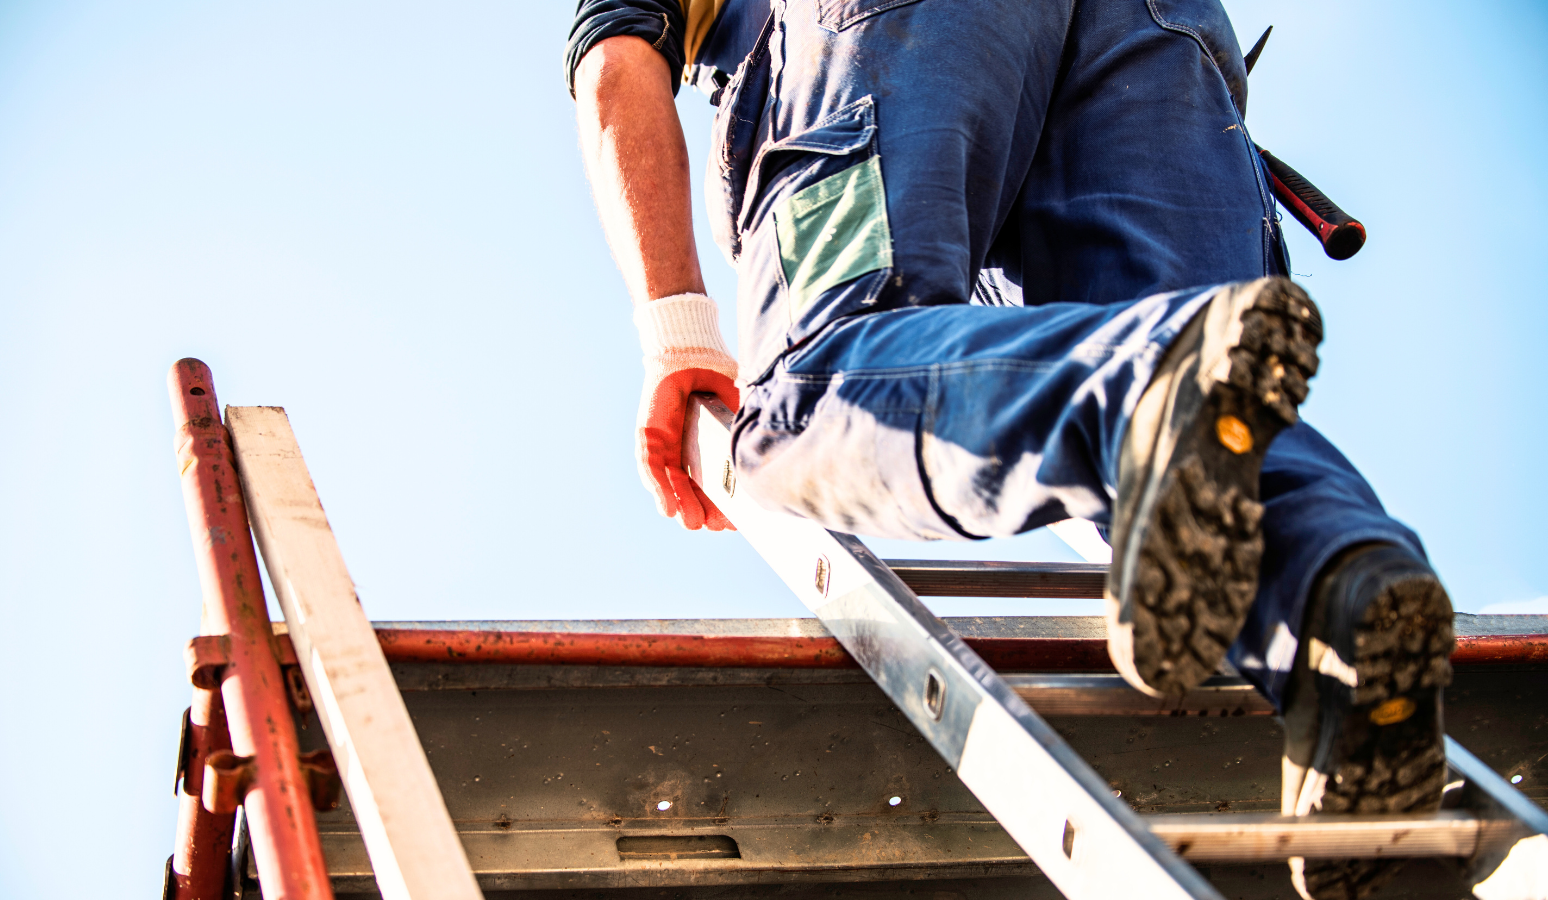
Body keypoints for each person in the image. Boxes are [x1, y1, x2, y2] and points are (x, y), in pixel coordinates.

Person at [566, 3, 1455, 897]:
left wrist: (676, 330)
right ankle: (1345, 603)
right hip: (1159, 33)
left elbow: (614, 56)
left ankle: (1143, 385)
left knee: (815, 386)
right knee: (1211, 399)